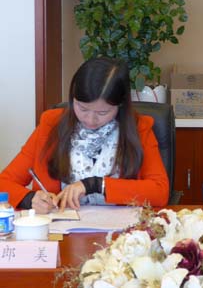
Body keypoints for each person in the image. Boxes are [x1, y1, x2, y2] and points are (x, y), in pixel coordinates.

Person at [0, 57, 169, 213]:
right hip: (60, 230)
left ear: (121, 105)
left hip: (121, 231)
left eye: (102, 112)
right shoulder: (51, 125)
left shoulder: (138, 128)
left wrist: (95, 184)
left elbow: (160, 191)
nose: (90, 119)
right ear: (72, 98)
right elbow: (4, 183)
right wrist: (29, 199)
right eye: (82, 108)